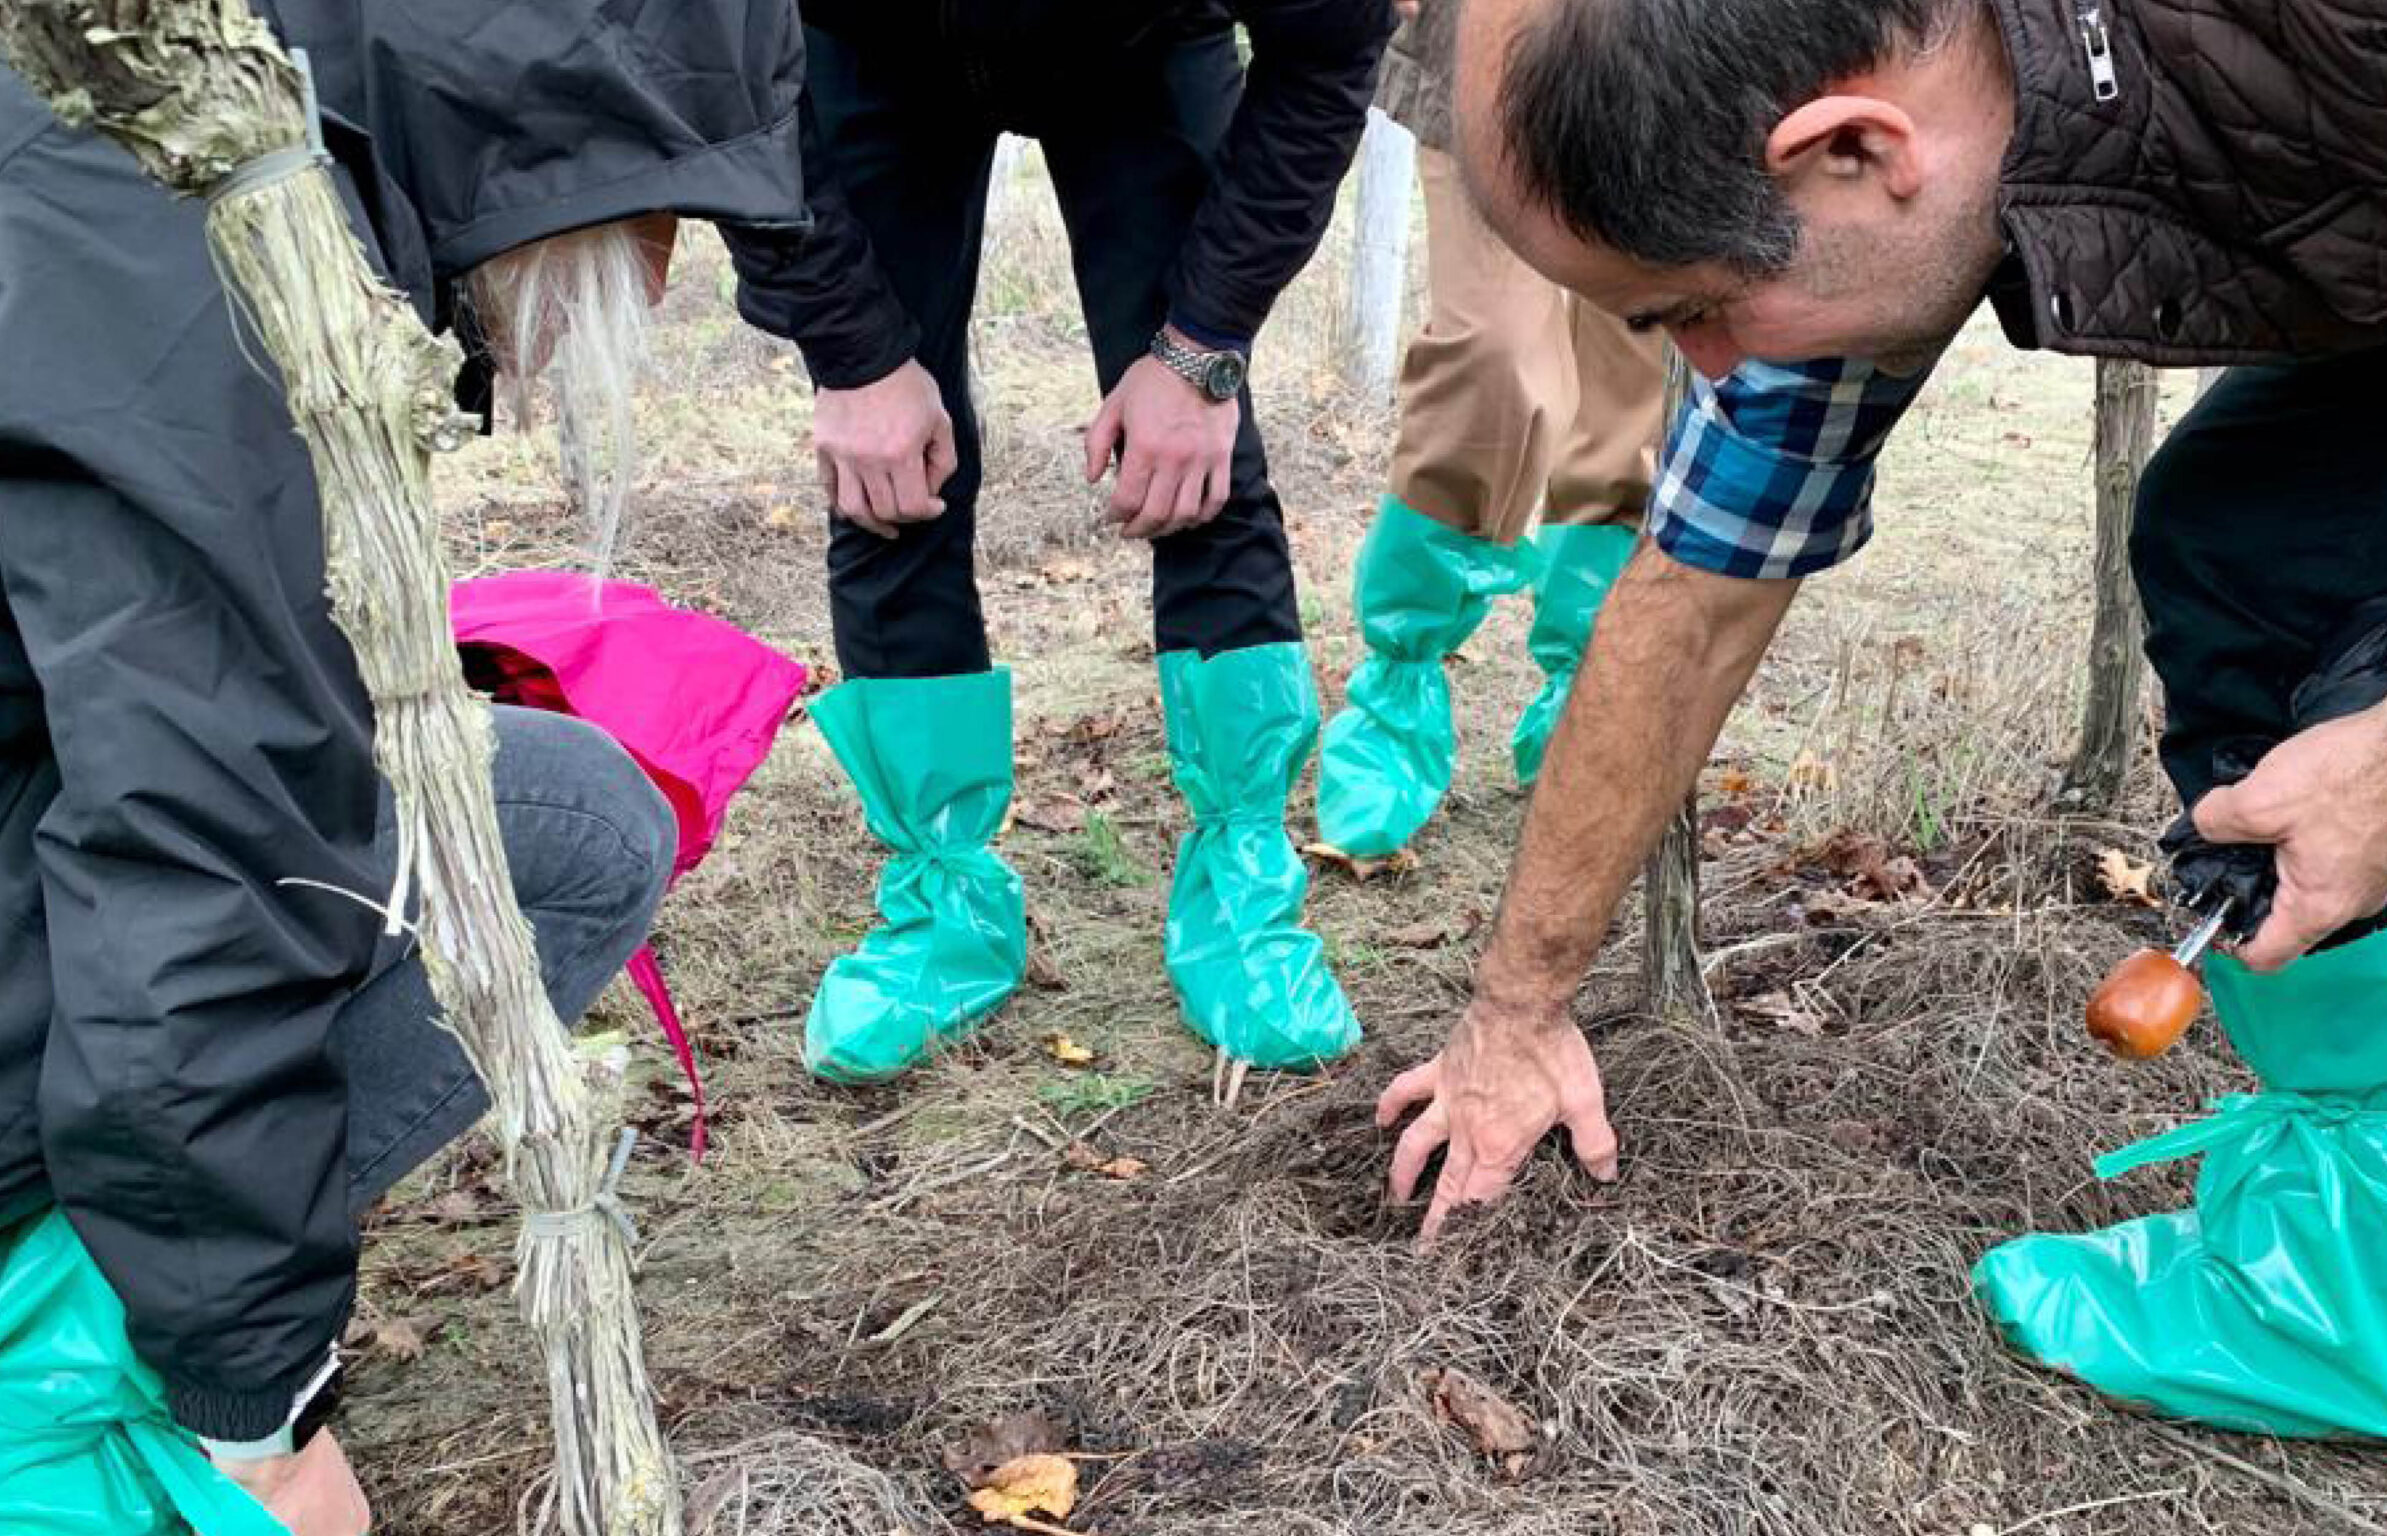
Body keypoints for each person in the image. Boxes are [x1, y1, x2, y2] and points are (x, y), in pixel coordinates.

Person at [1379, 0, 2387, 1440]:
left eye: (1690, 308)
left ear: (1862, 149)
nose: (1699, 363)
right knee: (2258, 548)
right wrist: (1518, 1005)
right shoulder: (1868, 161)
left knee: (2333, 611)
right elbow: (1696, 587)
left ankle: (2337, 1312)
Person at [0, 2, 807, 1528]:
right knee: (426, 829)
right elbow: (193, 838)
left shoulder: (142, 126)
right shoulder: (198, 242)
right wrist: (262, 1406)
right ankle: (62, 1334)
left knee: (564, 818)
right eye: (659, 219)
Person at [727, 2, 1394, 1085]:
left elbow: (1324, 60)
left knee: (1200, 463)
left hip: (1138, 50)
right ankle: (942, 902)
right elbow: (719, 60)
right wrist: (851, 354)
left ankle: (1243, 891)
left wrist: (1202, 351)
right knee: (892, 476)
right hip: (864, 43)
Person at [1313, 0, 1666, 859]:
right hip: (1489, 31)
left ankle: (1585, 699)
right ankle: (1399, 688)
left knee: (1637, 363)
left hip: (1672, 45)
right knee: (1495, 358)